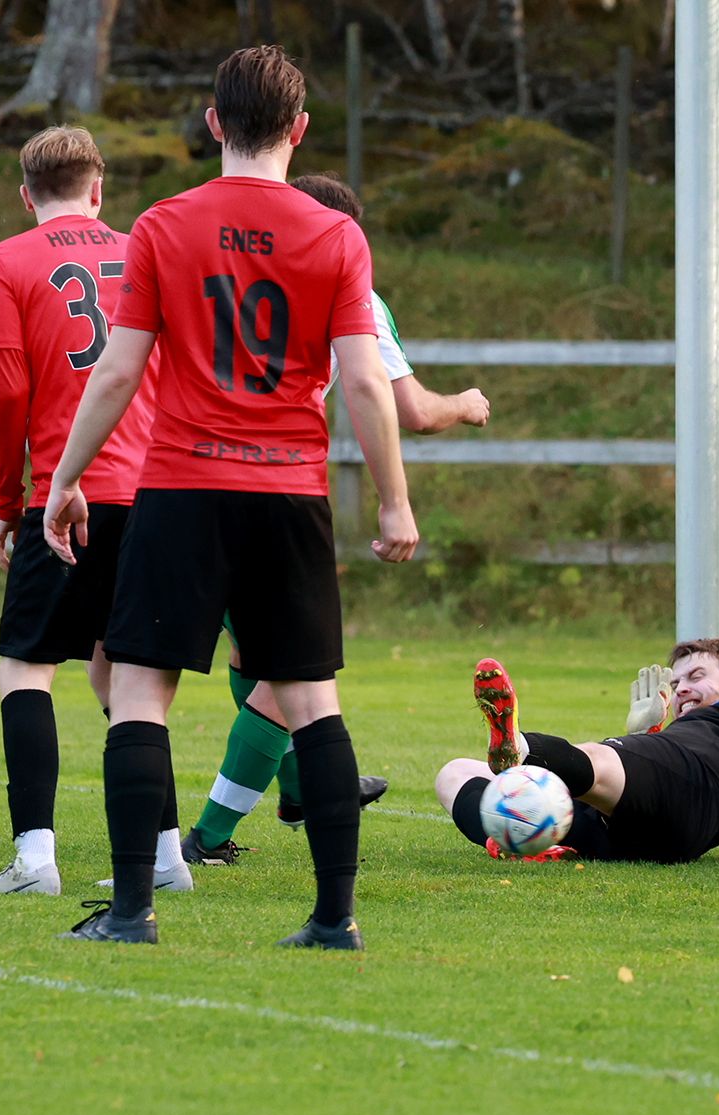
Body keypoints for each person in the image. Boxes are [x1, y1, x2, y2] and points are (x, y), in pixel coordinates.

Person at [44, 46, 418, 946]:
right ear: (298, 130)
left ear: (213, 124)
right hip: (289, 492)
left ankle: (132, 911)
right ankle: (334, 918)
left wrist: (62, 479)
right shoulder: (337, 235)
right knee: (310, 700)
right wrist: (395, 503)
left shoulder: (165, 224)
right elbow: (365, 384)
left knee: (139, 691)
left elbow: (120, 368)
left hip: (182, 487)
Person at [182, 170, 492, 865]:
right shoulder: (342, 276)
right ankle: (211, 834)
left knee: (239, 654)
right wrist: (463, 405)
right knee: (284, 667)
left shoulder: (210, 261)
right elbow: (407, 408)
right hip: (267, 489)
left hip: (173, 481)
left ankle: (297, 785)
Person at [0, 126, 180, 898]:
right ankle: (166, 857)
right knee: (128, 677)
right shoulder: (146, 250)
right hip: (156, 494)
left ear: (25, 194)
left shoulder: (7, 260)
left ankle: (35, 859)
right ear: (100, 190)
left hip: (67, 493)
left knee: (24, 670)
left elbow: (6, 390)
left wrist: (8, 502)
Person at [434, 546, 719, 864]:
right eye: (675, 683)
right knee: (453, 775)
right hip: (624, 839)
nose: (680, 690)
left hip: (696, 794)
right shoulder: (685, 740)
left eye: (696, 677)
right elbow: (654, 785)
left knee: (598, 757)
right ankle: (528, 840)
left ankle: (520, 748)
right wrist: (647, 735)